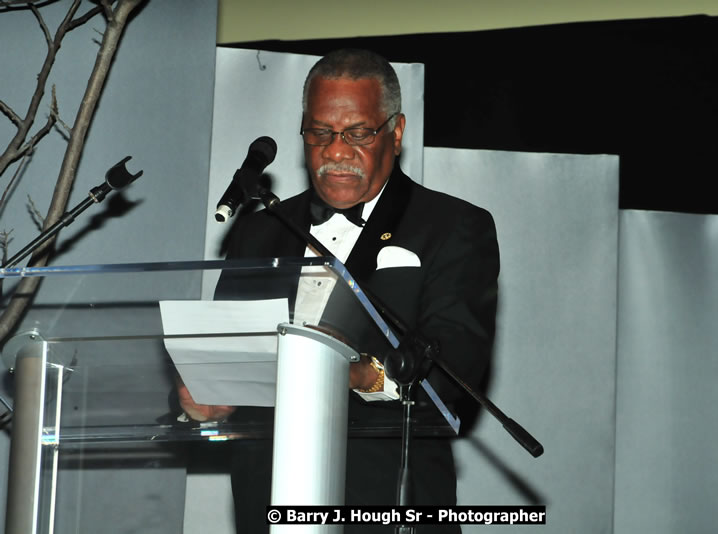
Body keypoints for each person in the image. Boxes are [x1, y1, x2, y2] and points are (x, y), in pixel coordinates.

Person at [179, 48, 500, 533]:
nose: (335, 151)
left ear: (395, 131)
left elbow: (454, 374)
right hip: (267, 510)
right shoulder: (260, 232)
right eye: (321, 133)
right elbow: (230, 360)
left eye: (357, 133)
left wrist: (352, 374)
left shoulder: (452, 227)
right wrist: (204, 398)